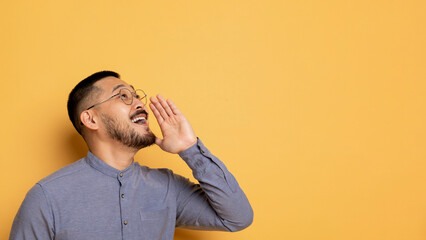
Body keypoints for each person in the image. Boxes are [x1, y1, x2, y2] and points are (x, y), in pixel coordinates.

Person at [9, 71, 253, 240]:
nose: (139, 103)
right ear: (90, 119)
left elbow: (237, 218)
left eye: (136, 95)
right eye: (123, 96)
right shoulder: (47, 197)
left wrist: (190, 149)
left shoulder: (167, 186)